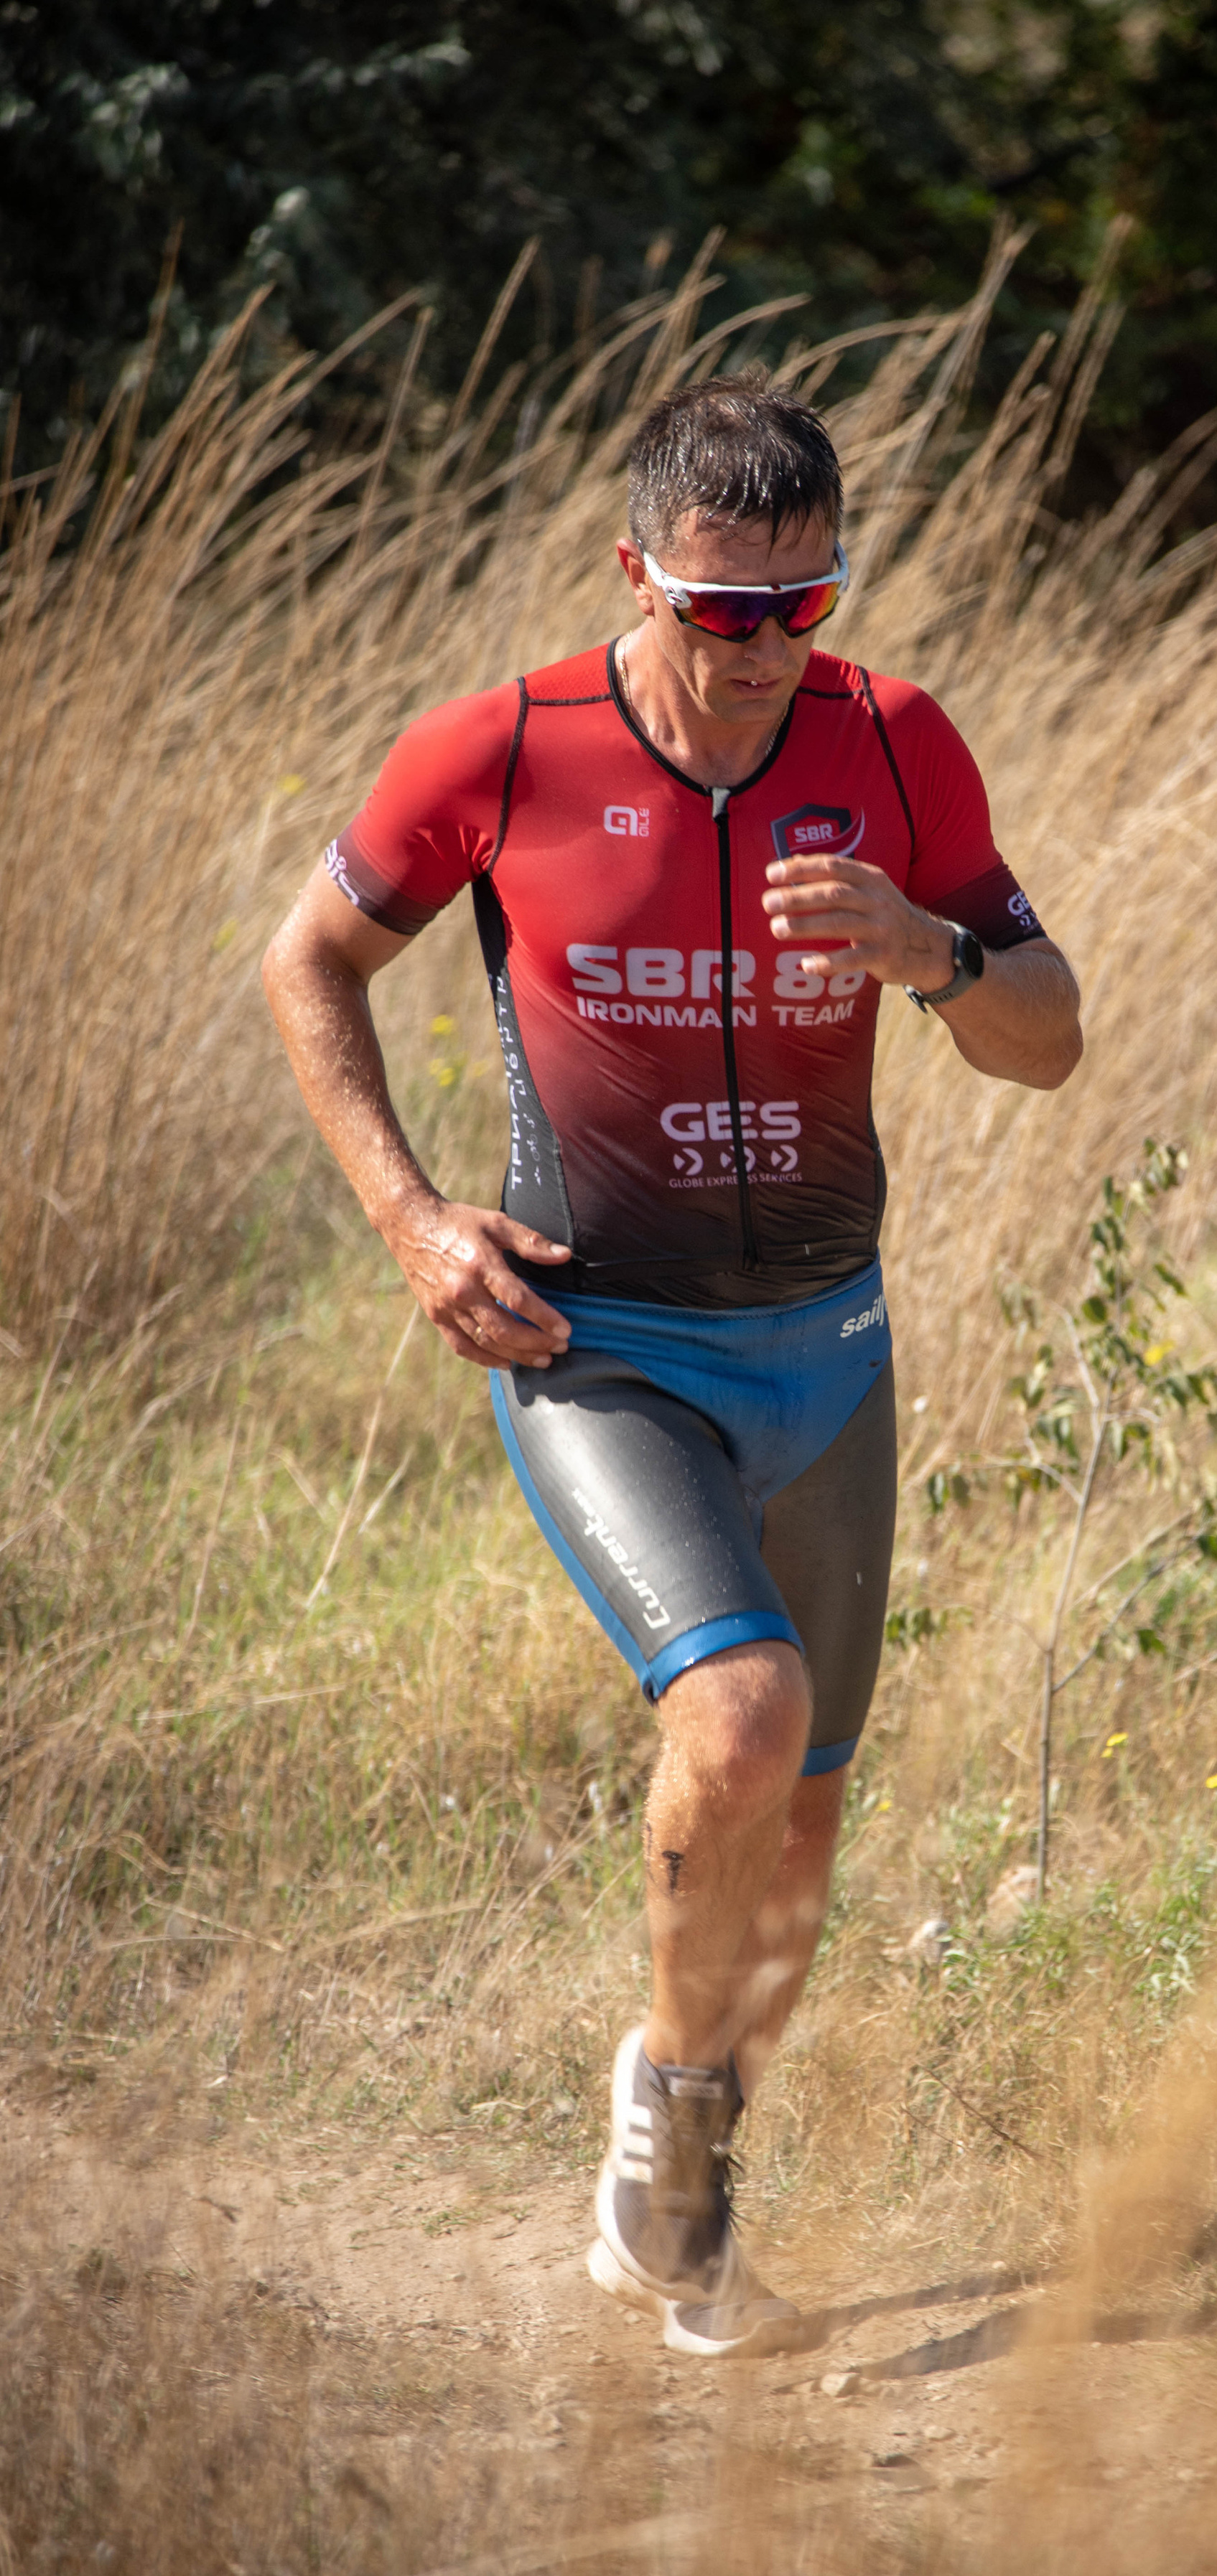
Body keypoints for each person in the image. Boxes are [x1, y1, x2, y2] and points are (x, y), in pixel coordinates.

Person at [262, 370, 1083, 2357]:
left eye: (808, 600)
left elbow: (1050, 1039)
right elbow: (311, 960)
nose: (766, 646)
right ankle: (670, 2148)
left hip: (831, 1349)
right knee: (739, 1711)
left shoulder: (894, 744)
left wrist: (933, 953)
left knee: (797, 1839)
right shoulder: (506, 746)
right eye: (726, 608)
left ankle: (677, 2171)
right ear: (639, 571)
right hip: (600, 1338)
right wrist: (414, 1219)